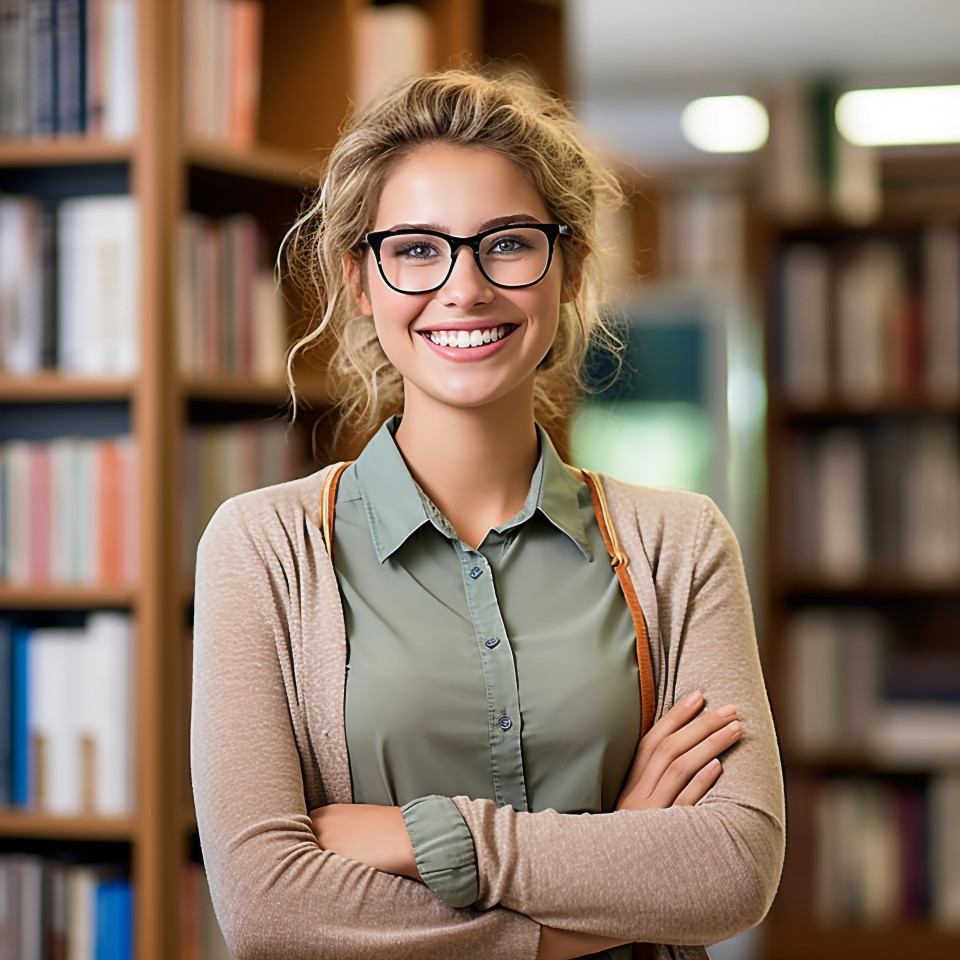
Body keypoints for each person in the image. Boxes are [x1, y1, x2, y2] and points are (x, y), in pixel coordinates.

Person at [190, 69, 785, 960]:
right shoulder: (263, 548)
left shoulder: (678, 544)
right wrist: (621, 855)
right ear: (360, 279)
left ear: (571, 265)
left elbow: (733, 868)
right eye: (418, 249)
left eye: (506, 244)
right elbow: (270, 908)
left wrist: (427, 838)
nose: (463, 289)